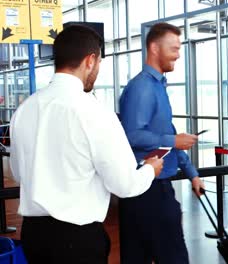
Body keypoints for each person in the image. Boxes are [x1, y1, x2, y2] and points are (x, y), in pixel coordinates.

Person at [9, 25, 164, 264]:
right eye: (100, 62)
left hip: (33, 236)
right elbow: (124, 184)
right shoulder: (95, 111)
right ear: (90, 60)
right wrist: (149, 170)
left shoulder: (25, 109)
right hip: (76, 240)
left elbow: (20, 173)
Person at [118, 22, 205, 264]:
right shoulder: (142, 88)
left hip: (151, 188)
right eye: (174, 48)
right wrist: (173, 140)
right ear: (154, 48)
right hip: (148, 191)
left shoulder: (157, 86)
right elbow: (132, 134)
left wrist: (191, 173)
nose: (178, 54)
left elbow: (167, 135)